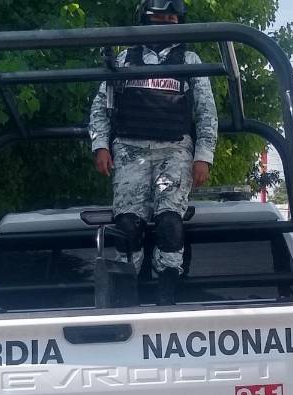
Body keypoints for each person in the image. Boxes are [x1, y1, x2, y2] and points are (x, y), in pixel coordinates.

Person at [88, 0, 218, 305]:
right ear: (145, 18)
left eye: (173, 17)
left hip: (174, 149)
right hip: (129, 150)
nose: (167, 22)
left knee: (170, 222)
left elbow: (206, 112)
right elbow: (100, 107)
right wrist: (100, 146)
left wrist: (203, 156)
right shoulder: (122, 59)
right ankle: (126, 293)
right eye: (161, 16)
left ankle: (166, 295)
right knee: (127, 225)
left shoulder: (189, 59)